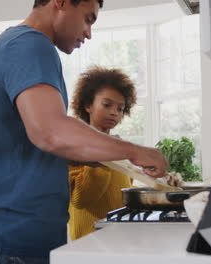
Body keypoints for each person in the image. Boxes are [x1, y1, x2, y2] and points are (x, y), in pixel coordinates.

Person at [0, 0, 168, 263]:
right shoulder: (29, 45)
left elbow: (38, 144)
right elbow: (51, 132)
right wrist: (134, 150)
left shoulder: (20, 46)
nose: (89, 32)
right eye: (88, 19)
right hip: (8, 240)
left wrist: (104, 153)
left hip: (13, 237)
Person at [68, 66, 137, 240]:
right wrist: (104, 158)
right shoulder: (73, 147)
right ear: (88, 105)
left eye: (120, 109)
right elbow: (81, 199)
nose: (114, 112)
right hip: (89, 243)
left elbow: (121, 188)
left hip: (119, 239)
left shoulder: (118, 147)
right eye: (107, 105)